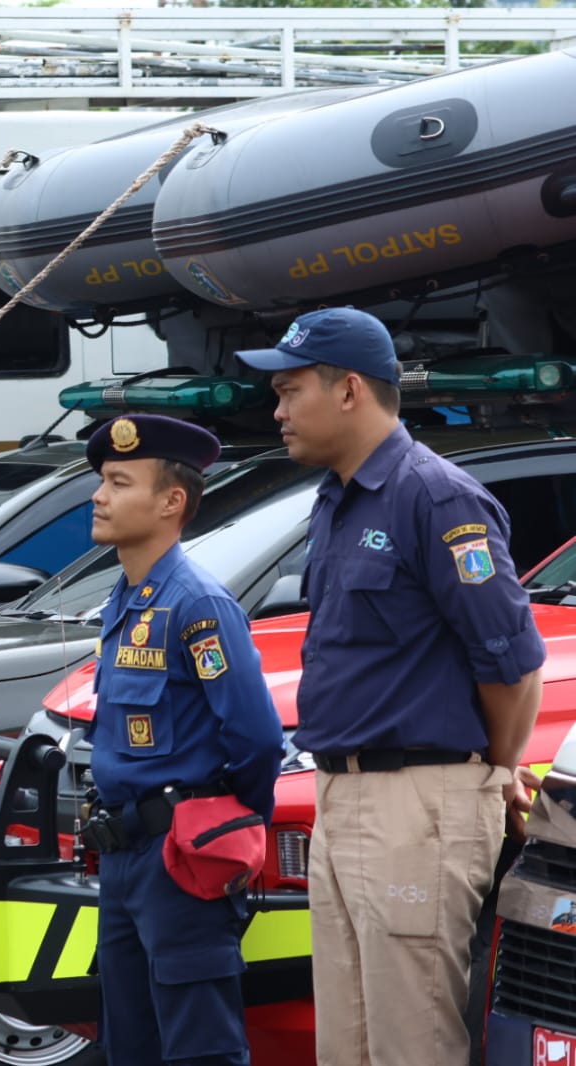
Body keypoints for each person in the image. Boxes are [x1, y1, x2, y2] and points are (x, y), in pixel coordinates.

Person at [239, 307, 545, 1066]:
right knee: (346, 1043)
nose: (276, 412)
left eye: (288, 391)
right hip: (343, 797)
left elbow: (512, 662)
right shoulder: (336, 500)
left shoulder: (436, 498)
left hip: (418, 800)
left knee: (411, 1042)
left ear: (347, 390)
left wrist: (491, 771)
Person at [78, 413, 283, 1066]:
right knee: (129, 1043)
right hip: (122, 853)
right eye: (101, 481)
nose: (98, 495)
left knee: (199, 1048)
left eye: (117, 482)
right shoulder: (125, 598)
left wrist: (222, 823)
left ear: (170, 502)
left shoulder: (197, 604)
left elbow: (254, 736)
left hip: (180, 856)